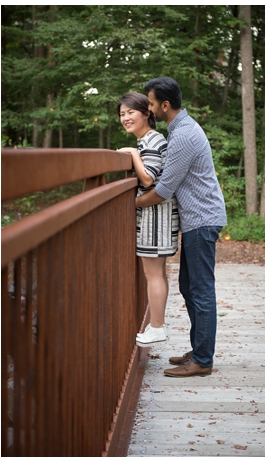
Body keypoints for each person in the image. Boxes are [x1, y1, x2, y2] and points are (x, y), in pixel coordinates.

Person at [135, 77, 227, 378]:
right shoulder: (179, 129)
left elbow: (162, 190)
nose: (148, 109)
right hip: (197, 220)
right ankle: (199, 349)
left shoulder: (184, 135)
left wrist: (128, 205)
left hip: (202, 219)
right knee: (189, 287)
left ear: (164, 105)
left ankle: (202, 360)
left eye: (150, 103)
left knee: (200, 290)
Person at [116, 92, 180, 349]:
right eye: (122, 114)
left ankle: (156, 328)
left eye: (131, 112)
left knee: (152, 274)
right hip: (158, 218)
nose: (125, 118)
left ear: (147, 114)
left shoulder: (151, 141)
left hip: (156, 219)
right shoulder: (151, 139)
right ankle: (157, 326)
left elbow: (148, 179)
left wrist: (132, 152)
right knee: (157, 274)